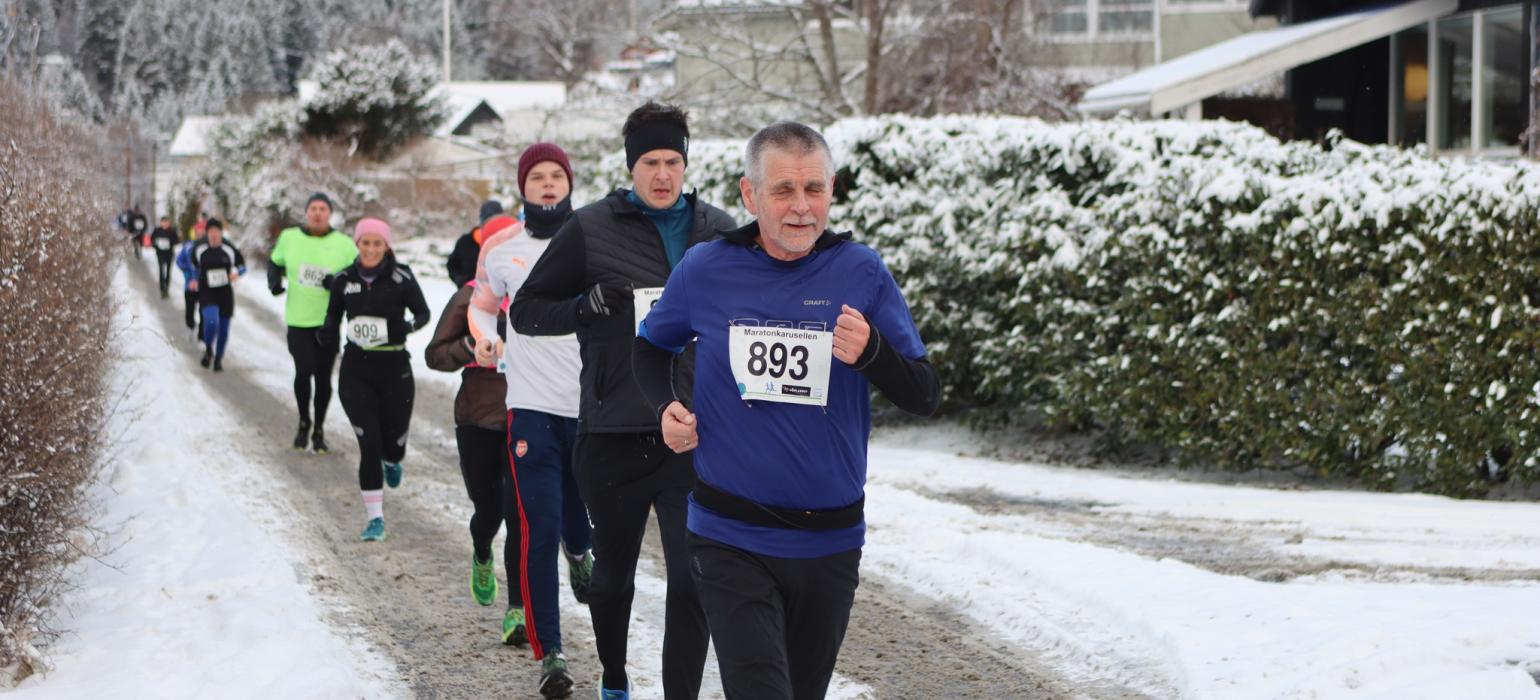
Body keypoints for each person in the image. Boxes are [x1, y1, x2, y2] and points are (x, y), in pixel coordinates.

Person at [633, 122, 940, 700]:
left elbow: (924, 393)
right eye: (783, 191)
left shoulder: (861, 271)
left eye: (815, 189)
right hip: (729, 535)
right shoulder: (706, 268)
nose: (802, 208)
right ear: (750, 196)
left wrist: (874, 352)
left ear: (831, 191)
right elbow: (651, 345)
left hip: (830, 542)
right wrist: (666, 407)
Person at [510, 102, 735, 700]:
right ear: (631, 164)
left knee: (693, 578)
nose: (663, 174)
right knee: (612, 581)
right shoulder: (589, 228)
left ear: (686, 164)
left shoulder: (717, 229)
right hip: (612, 432)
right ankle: (614, 679)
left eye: (673, 161)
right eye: (651, 162)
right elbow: (526, 311)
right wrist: (582, 309)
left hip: (691, 433)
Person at [469, 143, 594, 699]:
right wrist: (485, 335)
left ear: (569, 184)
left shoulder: (593, 238)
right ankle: (553, 655)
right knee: (538, 527)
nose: (548, 185)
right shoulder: (501, 248)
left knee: (578, 519)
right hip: (530, 409)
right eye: (537, 177)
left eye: (556, 176)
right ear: (523, 186)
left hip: (591, 409)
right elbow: (480, 304)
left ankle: (581, 551)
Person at [425, 251, 526, 644]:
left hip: (526, 417)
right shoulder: (469, 297)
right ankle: (482, 548)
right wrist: (470, 345)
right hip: (477, 418)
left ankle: (517, 609)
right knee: (489, 510)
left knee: (518, 512)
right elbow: (434, 355)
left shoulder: (535, 294)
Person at [320, 218, 430, 542]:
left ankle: (393, 459)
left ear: (386, 246)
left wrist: (405, 329)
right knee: (369, 445)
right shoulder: (343, 279)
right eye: (365, 242)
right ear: (357, 244)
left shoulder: (402, 277)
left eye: (377, 243)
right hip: (356, 369)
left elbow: (423, 314)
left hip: (395, 368)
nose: (370, 249)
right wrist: (328, 331)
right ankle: (375, 519)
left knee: (392, 443)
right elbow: (333, 314)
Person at [268, 193, 358, 454]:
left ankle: (318, 428)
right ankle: (303, 421)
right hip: (298, 319)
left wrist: (338, 282)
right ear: (306, 213)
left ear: (330, 214)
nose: (318, 213)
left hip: (328, 321)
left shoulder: (343, 243)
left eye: (323, 209)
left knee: (323, 376)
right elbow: (275, 263)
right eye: (313, 209)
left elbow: (356, 272)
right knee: (304, 369)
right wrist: (274, 283)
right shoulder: (289, 238)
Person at [187, 218, 247, 372]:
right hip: (207, 292)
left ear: (221, 232)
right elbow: (193, 266)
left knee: (224, 329)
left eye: (216, 231)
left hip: (225, 293)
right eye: (210, 231)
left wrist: (236, 273)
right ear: (207, 233)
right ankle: (208, 349)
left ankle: (219, 358)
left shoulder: (229, 249)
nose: (213, 234)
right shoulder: (199, 249)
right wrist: (194, 279)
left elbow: (242, 267)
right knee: (211, 321)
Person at [447, 199, 504, 287]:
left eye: (496, 219)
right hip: (469, 295)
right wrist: (461, 281)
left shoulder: (509, 243)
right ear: (482, 220)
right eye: (488, 218)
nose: (491, 223)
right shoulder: (466, 241)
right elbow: (452, 265)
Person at [174, 226, 205, 343]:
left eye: (201, 232)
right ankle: (191, 327)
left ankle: (202, 337)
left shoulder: (207, 247)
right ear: (194, 233)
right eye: (197, 232)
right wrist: (188, 274)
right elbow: (179, 261)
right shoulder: (187, 246)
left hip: (203, 287)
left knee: (203, 313)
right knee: (189, 312)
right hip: (189, 286)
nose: (199, 234)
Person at [150, 216, 180, 298]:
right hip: (160, 254)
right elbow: (152, 240)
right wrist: (156, 245)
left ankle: (166, 288)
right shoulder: (157, 231)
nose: (165, 224)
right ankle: (162, 290)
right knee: (161, 272)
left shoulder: (172, 231)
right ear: (161, 223)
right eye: (163, 222)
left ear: (168, 223)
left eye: (166, 222)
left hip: (169, 254)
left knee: (168, 272)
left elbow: (177, 240)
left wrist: (170, 242)